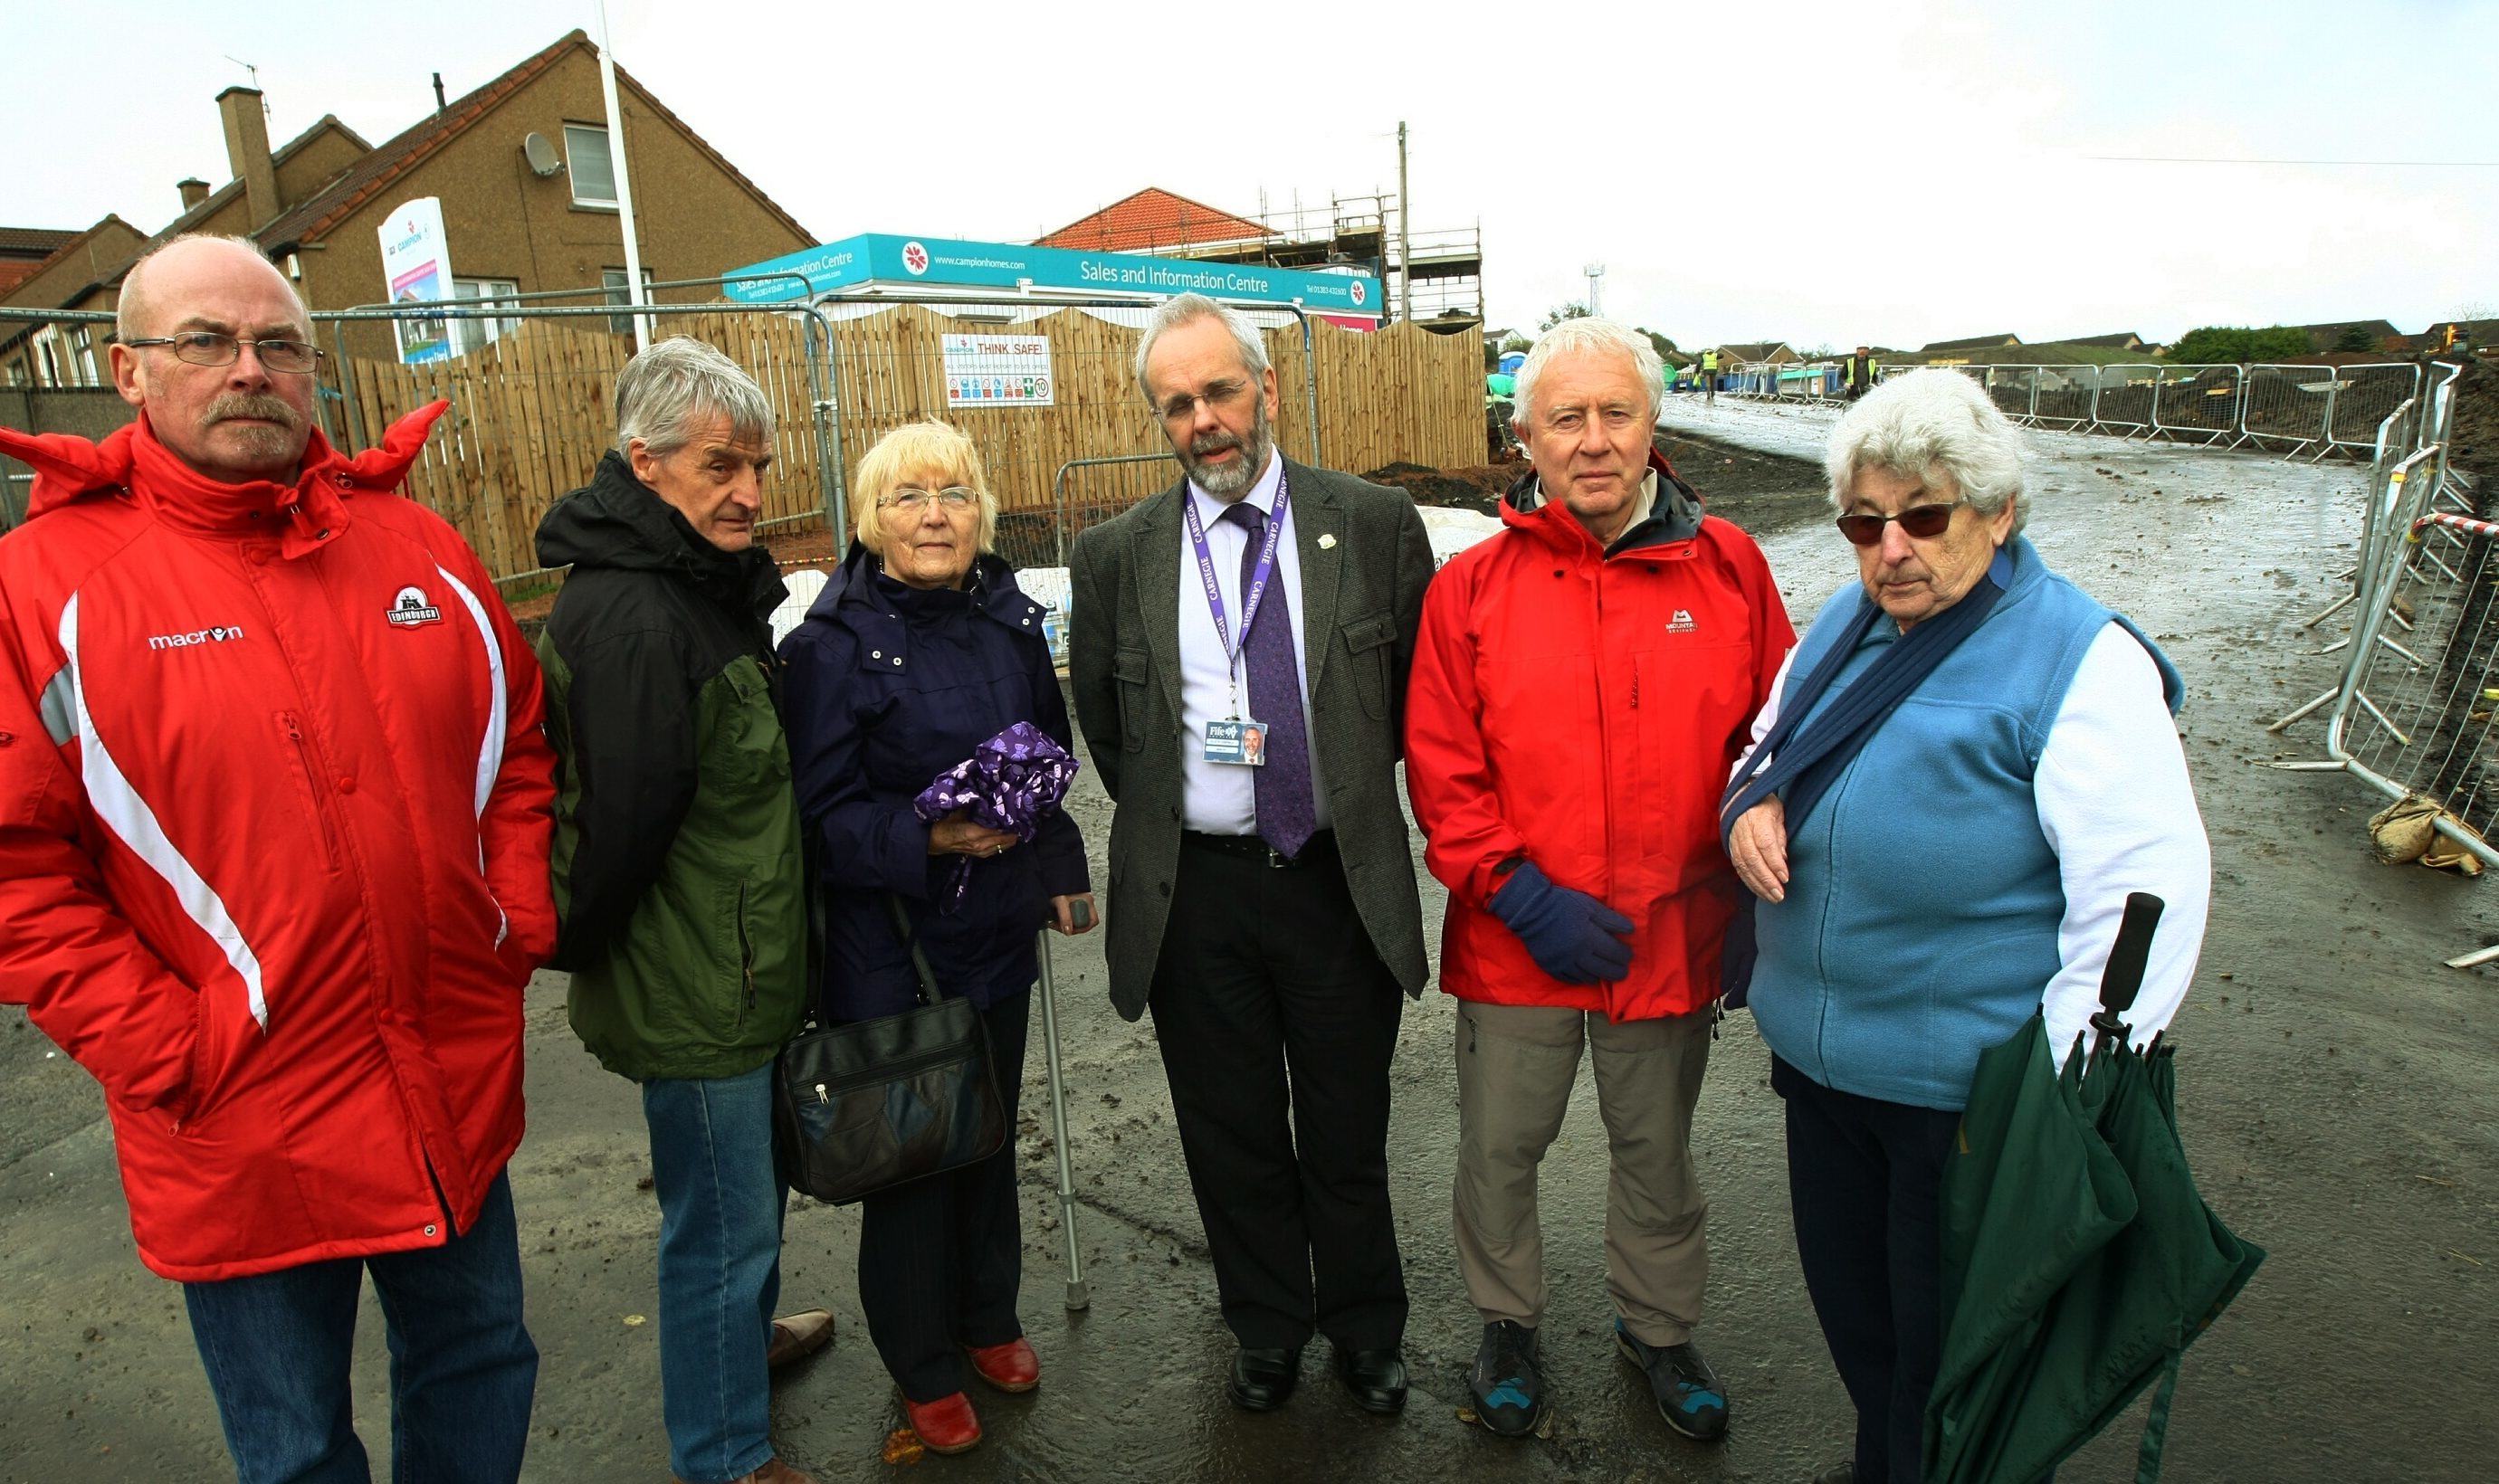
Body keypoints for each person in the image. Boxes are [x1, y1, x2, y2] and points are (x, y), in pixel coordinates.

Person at [0, 233, 557, 1482]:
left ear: (313, 370)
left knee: (480, 1364)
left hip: (446, 1077)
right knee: (296, 1445)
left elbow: (521, 743)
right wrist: (169, 1046)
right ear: (128, 370)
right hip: (239, 1116)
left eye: (278, 345)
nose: (248, 370)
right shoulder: (39, 588)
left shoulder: (419, 547)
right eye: (205, 341)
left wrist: (507, 917)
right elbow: (17, 875)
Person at [1722, 369, 2211, 1484]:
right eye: (1864, 521)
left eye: (1922, 516)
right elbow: (1766, 742)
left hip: (1967, 1105)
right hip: (1824, 1075)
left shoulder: (2078, 658)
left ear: (1996, 514)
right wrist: (1747, 801)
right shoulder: (1845, 623)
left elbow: (2144, 889)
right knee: (1868, 1337)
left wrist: (2058, 1094)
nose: (1889, 547)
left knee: (1956, 1368)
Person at [1404, 317, 1791, 1443]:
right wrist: (1516, 893)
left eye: (1614, 412)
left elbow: (1776, 738)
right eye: (1564, 417)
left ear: (1650, 425)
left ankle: (1658, 1329)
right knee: (1498, 1150)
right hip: (1513, 937)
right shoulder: (1470, 589)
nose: (1592, 439)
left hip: (1670, 937)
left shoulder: (1726, 567)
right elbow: (1441, 763)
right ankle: (1506, 1322)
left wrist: (1754, 860)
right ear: (1521, 437)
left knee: (1656, 1156)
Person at [1067, 292, 1435, 1416]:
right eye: (1176, 404)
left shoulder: (1372, 523)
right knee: (1228, 1131)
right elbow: (1108, 721)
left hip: (1333, 880)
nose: (1203, 420)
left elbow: (1420, 694)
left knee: (1343, 1121)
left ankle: (1366, 1327)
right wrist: (1194, 812)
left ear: (1266, 388)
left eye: (1220, 390)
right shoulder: (1115, 551)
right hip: (1198, 895)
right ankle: (1267, 1324)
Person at [535, 337, 833, 1484]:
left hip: (738, 962)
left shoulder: (693, 588)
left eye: (756, 465)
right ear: (644, 463)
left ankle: (737, 1348)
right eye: (720, 466)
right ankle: (723, 1453)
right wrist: (597, 954)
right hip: (698, 979)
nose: (749, 492)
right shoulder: (635, 618)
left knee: (744, 1201)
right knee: (719, 1226)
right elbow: (616, 830)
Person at [777, 422, 1095, 1455]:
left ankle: (986, 1316)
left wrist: (1059, 871)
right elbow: (818, 819)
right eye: (908, 495)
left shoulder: (1008, 621)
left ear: (982, 514)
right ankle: (920, 1360)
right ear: (871, 518)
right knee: (917, 1152)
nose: (933, 514)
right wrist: (928, 833)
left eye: (953, 494)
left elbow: (1048, 754)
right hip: (892, 947)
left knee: (989, 1133)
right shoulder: (827, 649)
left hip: (996, 926)